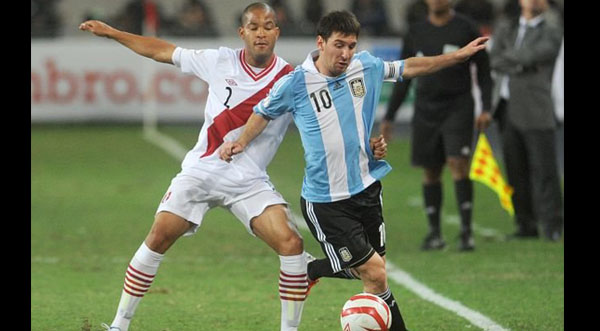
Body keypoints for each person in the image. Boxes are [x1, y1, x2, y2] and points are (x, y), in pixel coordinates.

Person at [219, 10, 489, 331]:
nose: (346, 54)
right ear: (321, 43)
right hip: (326, 200)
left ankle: (311, 270)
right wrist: (240, 143)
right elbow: (262, 112)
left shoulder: (366, 67)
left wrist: (457, 57)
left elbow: (409, 67)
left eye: (351, 45)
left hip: (367, 189)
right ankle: (317, 276)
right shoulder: (295, 82)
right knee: (375, 271)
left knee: (373, 276)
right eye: (339, 45)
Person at [380, 0, 493, 252]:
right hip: (426, 110)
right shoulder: (416, 31)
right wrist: (389, 117)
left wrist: (485, 107)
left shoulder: (467, 28)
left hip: (458, 107)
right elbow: (403, 75)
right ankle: (434, 233)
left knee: (458, 164)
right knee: (430, 170)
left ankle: (466, 233)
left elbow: (483, 71)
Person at [489, 0, 563, 241]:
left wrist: (512, 61)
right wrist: (519, 63)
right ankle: (525, 225)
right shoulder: (507, 26)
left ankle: (553, 225)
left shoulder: (551, 28)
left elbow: (538, 54)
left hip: (537, 108)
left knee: (545, 170)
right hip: (506, 108)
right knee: (515, 170)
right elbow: (494, 58)